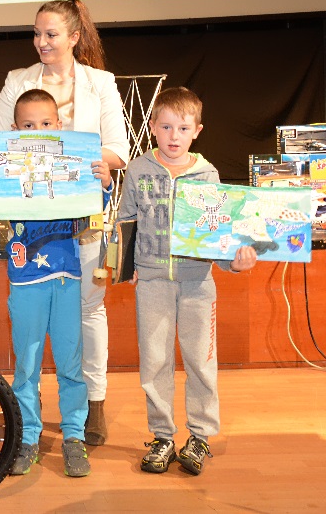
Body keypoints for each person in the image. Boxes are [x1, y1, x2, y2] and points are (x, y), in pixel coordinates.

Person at [0, 0, 129, 446]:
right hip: (32, 224)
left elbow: (119, 150)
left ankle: (94, 403)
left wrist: (65, 160)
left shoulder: (100, 83)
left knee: (89, 310)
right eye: (36, 34)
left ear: (74, 36)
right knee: (31, 326)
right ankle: (29, 416)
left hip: (85, 217)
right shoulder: (17, 81)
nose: (42, 42)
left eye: (51, 34)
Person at [0, 90, 112, 479]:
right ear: (14, 130)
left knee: (70, 365)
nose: (38, 130)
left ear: (59, 126)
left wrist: (102, 184)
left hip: (67, 280)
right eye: (28, 125)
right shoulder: (6, 174)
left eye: (46, 124)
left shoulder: (72, 167)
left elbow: (90, 213)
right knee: (27, 367)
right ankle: (28, 437)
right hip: (25, 283)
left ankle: (73, 437)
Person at [116, 87, 257, 475]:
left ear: (197, 131)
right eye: (165, 127)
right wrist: (124, 267)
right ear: (152, 127)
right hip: (153, 283)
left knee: (201, 361)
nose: (173, 136)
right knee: (155, 361)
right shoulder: (138, 170)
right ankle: (162, 436)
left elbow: (217, 230)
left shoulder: (207, 174)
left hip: (198, 284)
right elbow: (126, 219)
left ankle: (199, 436)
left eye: (182, 128)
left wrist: (235, 262)